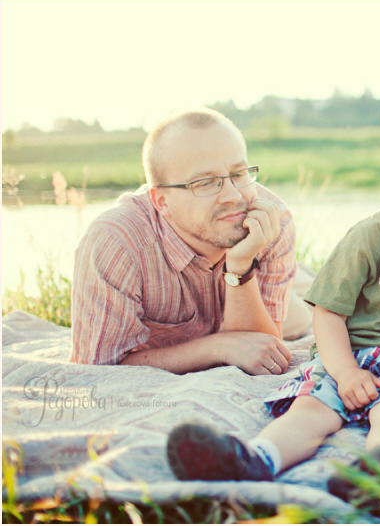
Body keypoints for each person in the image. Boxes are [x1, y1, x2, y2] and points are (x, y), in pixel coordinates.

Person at [165, 103, 380, 506]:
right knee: (311, 410)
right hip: (346, 354)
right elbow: (329, 311)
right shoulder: (374, 236)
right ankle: (251, 458)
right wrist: (347, 372)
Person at [70, 108, 312, 374]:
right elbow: (99, 367)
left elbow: (261, 349)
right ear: (162, 202)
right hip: (205, 314)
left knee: (309, 314)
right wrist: (217, 347)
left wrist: (241, 265)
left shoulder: (271, 220)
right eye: (206, 182)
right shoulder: (116, 243)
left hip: (258, 295)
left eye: (239, 173)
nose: (233, 196)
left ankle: (303, 279)